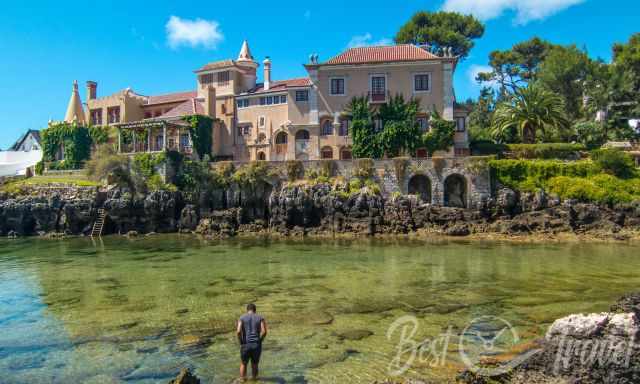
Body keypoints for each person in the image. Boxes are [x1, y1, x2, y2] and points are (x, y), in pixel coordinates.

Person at [237, 303, 267, 381]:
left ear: (247, 310)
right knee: (255, 364)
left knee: (244, 363)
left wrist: (241, 342)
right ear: (255, 310)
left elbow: (238, 331)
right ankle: (254, 380)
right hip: (256, 345)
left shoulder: (242, 318)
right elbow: (264, 332)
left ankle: (242, 380)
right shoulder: (260, 317)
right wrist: (260, 340)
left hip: (245, 344)